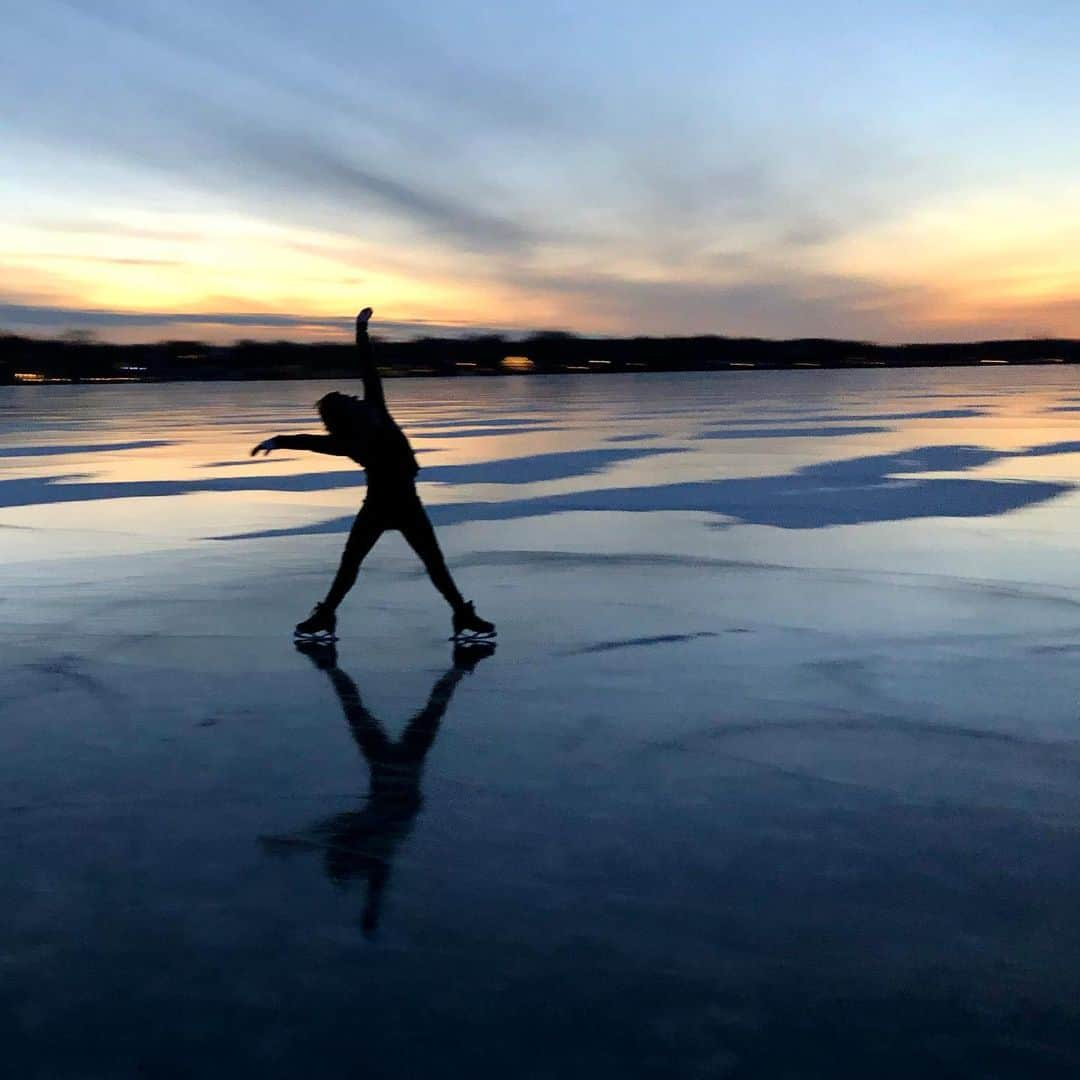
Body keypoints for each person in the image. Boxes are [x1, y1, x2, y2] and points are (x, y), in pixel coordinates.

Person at [251, 307, 495, 642]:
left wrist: (361, 329)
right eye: (349, 401)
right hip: (378, 508)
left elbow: (368, 368)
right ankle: (325, 616)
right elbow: (309, 442)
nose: (355, 398)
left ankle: (462, 615)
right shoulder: (347, 440)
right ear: (344, 414)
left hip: (407, 505)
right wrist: (277, 440)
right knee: (350, 566)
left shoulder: (374, 412)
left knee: (434, 564)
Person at [261, 639, 495, 937]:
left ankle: (456, 668)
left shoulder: (364, 844)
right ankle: (458, 667)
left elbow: (328, 835)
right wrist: (370, 908)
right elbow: (370, 868)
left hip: (389, 772)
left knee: (374, 712)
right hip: (398, 773)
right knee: (406, 711)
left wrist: (289, 843)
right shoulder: (377, 846)